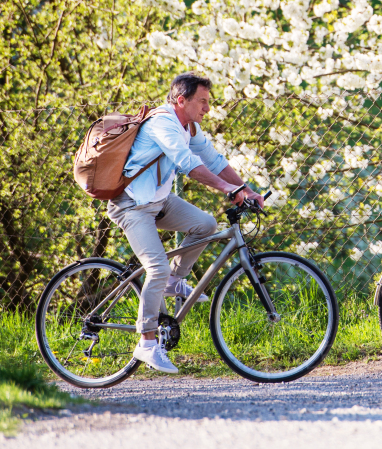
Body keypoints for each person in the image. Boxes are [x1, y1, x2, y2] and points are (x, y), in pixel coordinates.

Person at [107, 72, 264, 374]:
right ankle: (147, 343)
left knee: (205, 224)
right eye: (202, 101)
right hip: (133, 205)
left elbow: (215, 161)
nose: (207, 108)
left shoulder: (189, 127)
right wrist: (225, 189)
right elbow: (187, 163)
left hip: (159, 201)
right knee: (156, 266)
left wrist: (245, 189)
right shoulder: (162, 123)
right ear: (181, 100)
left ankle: (171, 283)